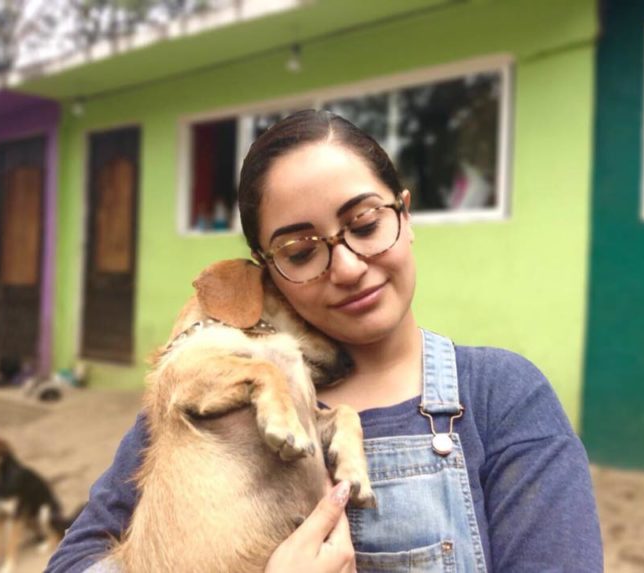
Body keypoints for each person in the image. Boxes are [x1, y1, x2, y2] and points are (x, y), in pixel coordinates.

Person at [47, 110, 603, 572]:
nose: (347, 267)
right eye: (299, 251)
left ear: (405, 216)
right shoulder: (207, 404)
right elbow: (74, 561)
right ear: (265, 272)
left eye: (364, 224)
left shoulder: (499, 395)